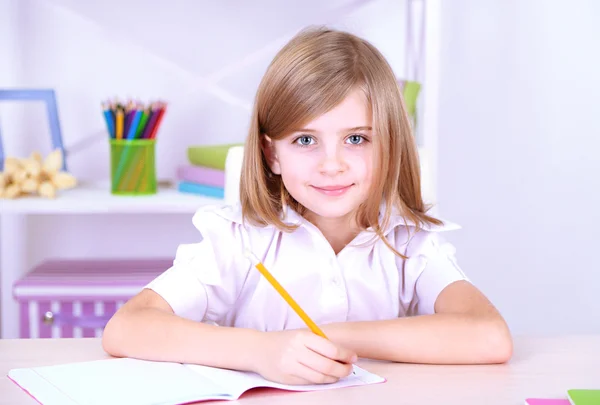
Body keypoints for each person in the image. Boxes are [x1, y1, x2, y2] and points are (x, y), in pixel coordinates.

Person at [102, 26, 512, 386]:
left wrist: (334, 336)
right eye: (305, 140)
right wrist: (262, 352)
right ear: (271, 154)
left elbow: (489, 336)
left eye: (356, 139)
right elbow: (126, 329)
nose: (331, 165)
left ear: (390, 146)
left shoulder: (409, 242)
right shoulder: (238, 240)